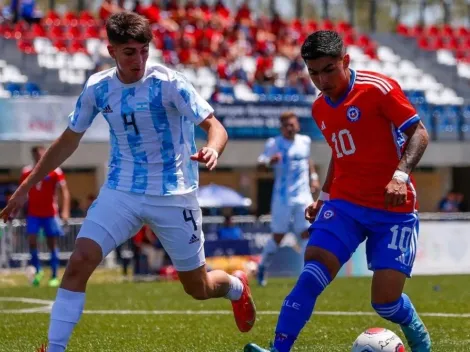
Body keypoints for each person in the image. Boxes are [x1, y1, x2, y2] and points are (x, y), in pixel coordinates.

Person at [1, 12, 255, 352]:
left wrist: (212, 149)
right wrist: (24, 189)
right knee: (78, 262)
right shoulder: (98, 87)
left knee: (198, 288)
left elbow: (215, 127)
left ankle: (236, 287)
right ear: (111, 51)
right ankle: (55, 347)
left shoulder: (170, 83)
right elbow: (67, 141)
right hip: (122, 191)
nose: (139, 59)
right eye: (129, 52)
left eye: (144, 50)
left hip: (174, 193)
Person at [245, 30, 431, 352]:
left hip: (392, 210)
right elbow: (340, 153)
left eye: (329, 69)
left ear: (345, 61)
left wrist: (400, 176)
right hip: (345, 205)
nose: (321, 79)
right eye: (313, 72)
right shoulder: (319, 109)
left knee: (385, 303)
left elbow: (419, 132)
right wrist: (325, 198)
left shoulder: (378, 89)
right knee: (312, 271)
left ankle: (411, 322)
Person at [256, 111, 320, 286]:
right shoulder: (274, 143)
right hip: (283, 197)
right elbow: (260, 164)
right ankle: (262, 267)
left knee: (307, 233)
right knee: (278, 235)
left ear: (297, 125)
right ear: (282, 127)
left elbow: (308, 160)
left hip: (303, 195)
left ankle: (306, 274)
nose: (290, 128)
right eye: (286, 125)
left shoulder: (305, 141)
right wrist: (270, 161)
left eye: (293, 124)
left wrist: (313, 177)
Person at [20, 145, 70, 287]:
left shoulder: (55, 171)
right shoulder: (27, 171)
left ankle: (54, 275)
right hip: (33, 213)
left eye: (41, 154)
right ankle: (38, 270)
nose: (39, 157)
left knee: (52, 243)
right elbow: (22, 192)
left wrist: (65, 210)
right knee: (32, 241)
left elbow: (64, 191)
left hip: (50, 214)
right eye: (36, 155)